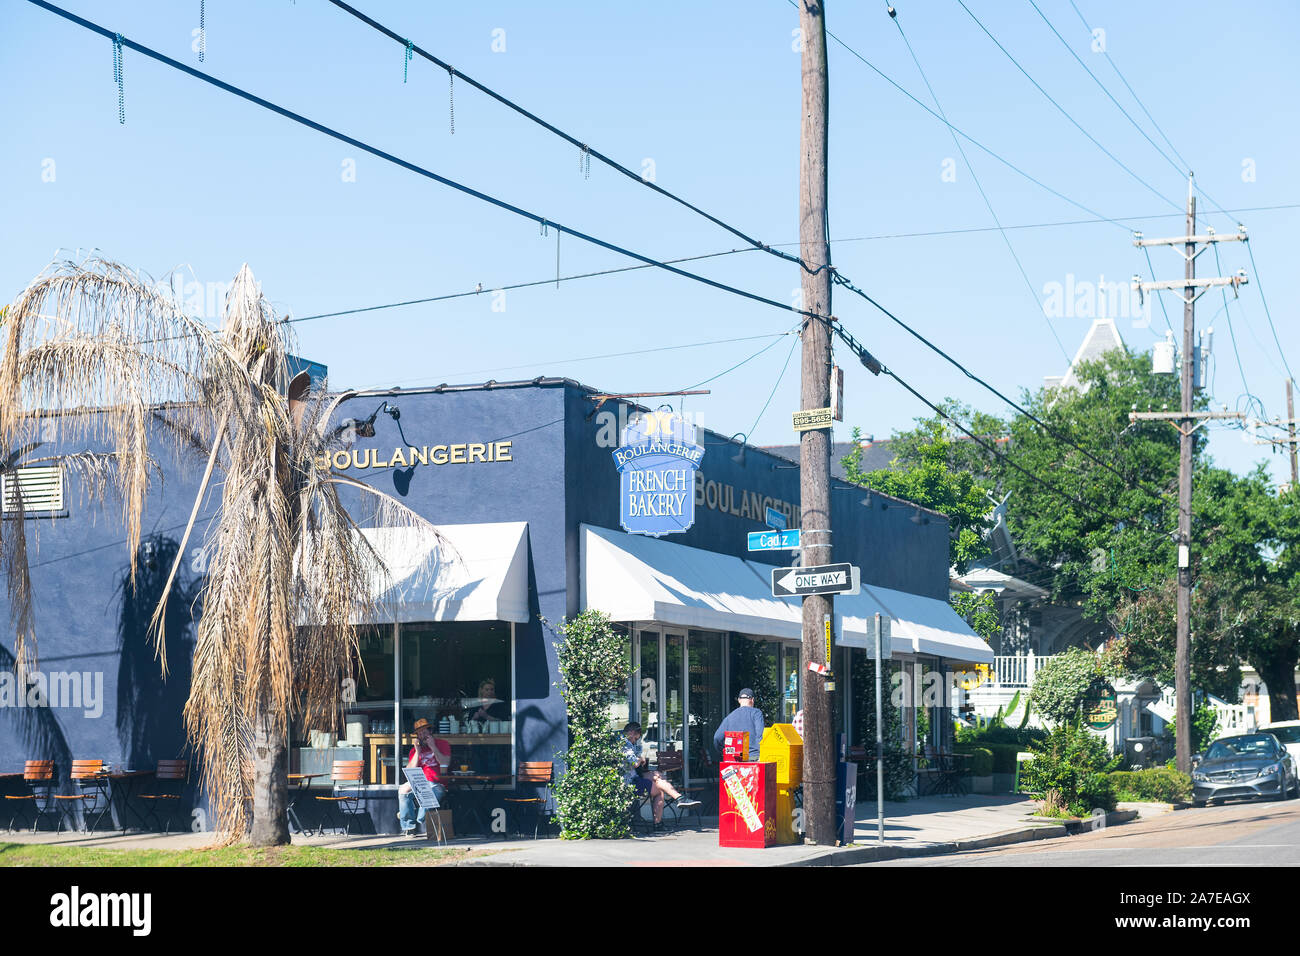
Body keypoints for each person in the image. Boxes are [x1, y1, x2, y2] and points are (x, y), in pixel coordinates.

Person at [622, 721, 699, 828]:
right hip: (628, 781)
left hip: (634, 776)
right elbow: (635, 763)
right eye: (635, 738)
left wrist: (641, 761)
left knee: (657, 775)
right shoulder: (625, 744)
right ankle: (676, 803)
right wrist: (641, 759)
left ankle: (679, 799)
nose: (636, 741)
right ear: (631, 732)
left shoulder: (628, 743)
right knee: (659, 791)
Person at [398, 717, 450, 836]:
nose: (423, 735)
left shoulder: (442, 744)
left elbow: (444, 764)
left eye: (425, 731)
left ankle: (420, 818)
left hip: (437, 783)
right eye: (420, 733)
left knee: (430, 789)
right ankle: (409, 826)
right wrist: (417, 751)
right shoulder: (415, 750)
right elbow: (409, 771)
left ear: (430, 732)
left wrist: (433, 747)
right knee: (402, 790)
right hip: (419, 782)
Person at [713, 688, 764, 760]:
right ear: (752, 700)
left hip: (734, 759)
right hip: (753, 758)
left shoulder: (729, 717)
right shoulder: (756, 713)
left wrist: (724, 751)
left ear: (739, 700)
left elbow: (717, 738)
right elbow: (760, 734)